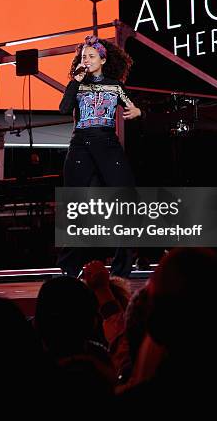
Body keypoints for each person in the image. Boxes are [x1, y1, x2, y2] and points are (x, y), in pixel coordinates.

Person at [57, 35, 142, 277]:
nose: (86, 60)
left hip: (107, 143)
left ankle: (121, 269)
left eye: (91, 56)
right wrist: (75, 81)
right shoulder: (77, 84)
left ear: (103, 60)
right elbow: (64, 109)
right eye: (83, 57)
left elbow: (132, 107)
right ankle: (69, 269)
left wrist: (138, 111)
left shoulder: (114, 86)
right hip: (81, 144)